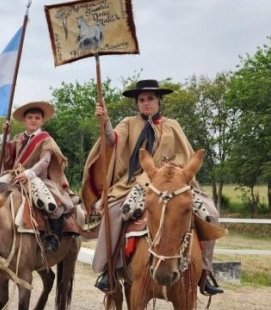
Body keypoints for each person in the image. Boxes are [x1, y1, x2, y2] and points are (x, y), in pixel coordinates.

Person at [81, 79, 223, 295]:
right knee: (113, 211)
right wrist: (105, 119)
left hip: (172, 181)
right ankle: (109, 270)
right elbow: (112, 140)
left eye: (150, 99)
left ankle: (204, 271)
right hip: (136, 181)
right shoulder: (129, 123)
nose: (145, 103)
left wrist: (172, 171)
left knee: (210, 213)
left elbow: (185, 154)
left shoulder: (172, 125)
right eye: (141, 100)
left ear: (159, 101)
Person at [0, 101, 74, 253]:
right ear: (25, 120)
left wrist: (29, 173)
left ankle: (53, 236)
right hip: (16, 175)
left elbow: (45, 160)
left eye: (37, 118)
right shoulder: (18, 138)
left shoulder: (46, 139)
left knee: (53, 201)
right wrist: (5, 137)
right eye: (30, 117)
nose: (33, 120)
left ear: (42, 121)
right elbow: (7, 157)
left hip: (39, 177)